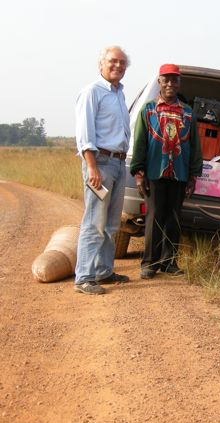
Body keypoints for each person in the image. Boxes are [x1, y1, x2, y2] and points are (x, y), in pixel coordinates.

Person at [129, 64, 203, 279]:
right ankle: (149, 263)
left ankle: (169, 262)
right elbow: (140, 142)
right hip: (155, 171)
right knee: (154, 217)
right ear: (159, 82)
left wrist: (193, 175)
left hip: (179, 173)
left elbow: (195, 146)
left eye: (174, 80)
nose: (170, 84)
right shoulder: (149, 109)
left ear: (179, 83)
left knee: (174, 218)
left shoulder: (188, 113)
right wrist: (139, 173)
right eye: (166, 80)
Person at [74, 46, 131, 295]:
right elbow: (85, 134)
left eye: (121, 62)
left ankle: (103, 271)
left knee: (111, 224)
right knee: (94, 222)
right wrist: (92, 166)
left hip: (119, 164)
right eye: (112, 61)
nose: (117, 65)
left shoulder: (119, 94)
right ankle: (84, 277)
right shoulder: (92, 92)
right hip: (101, 164)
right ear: (101, 64)